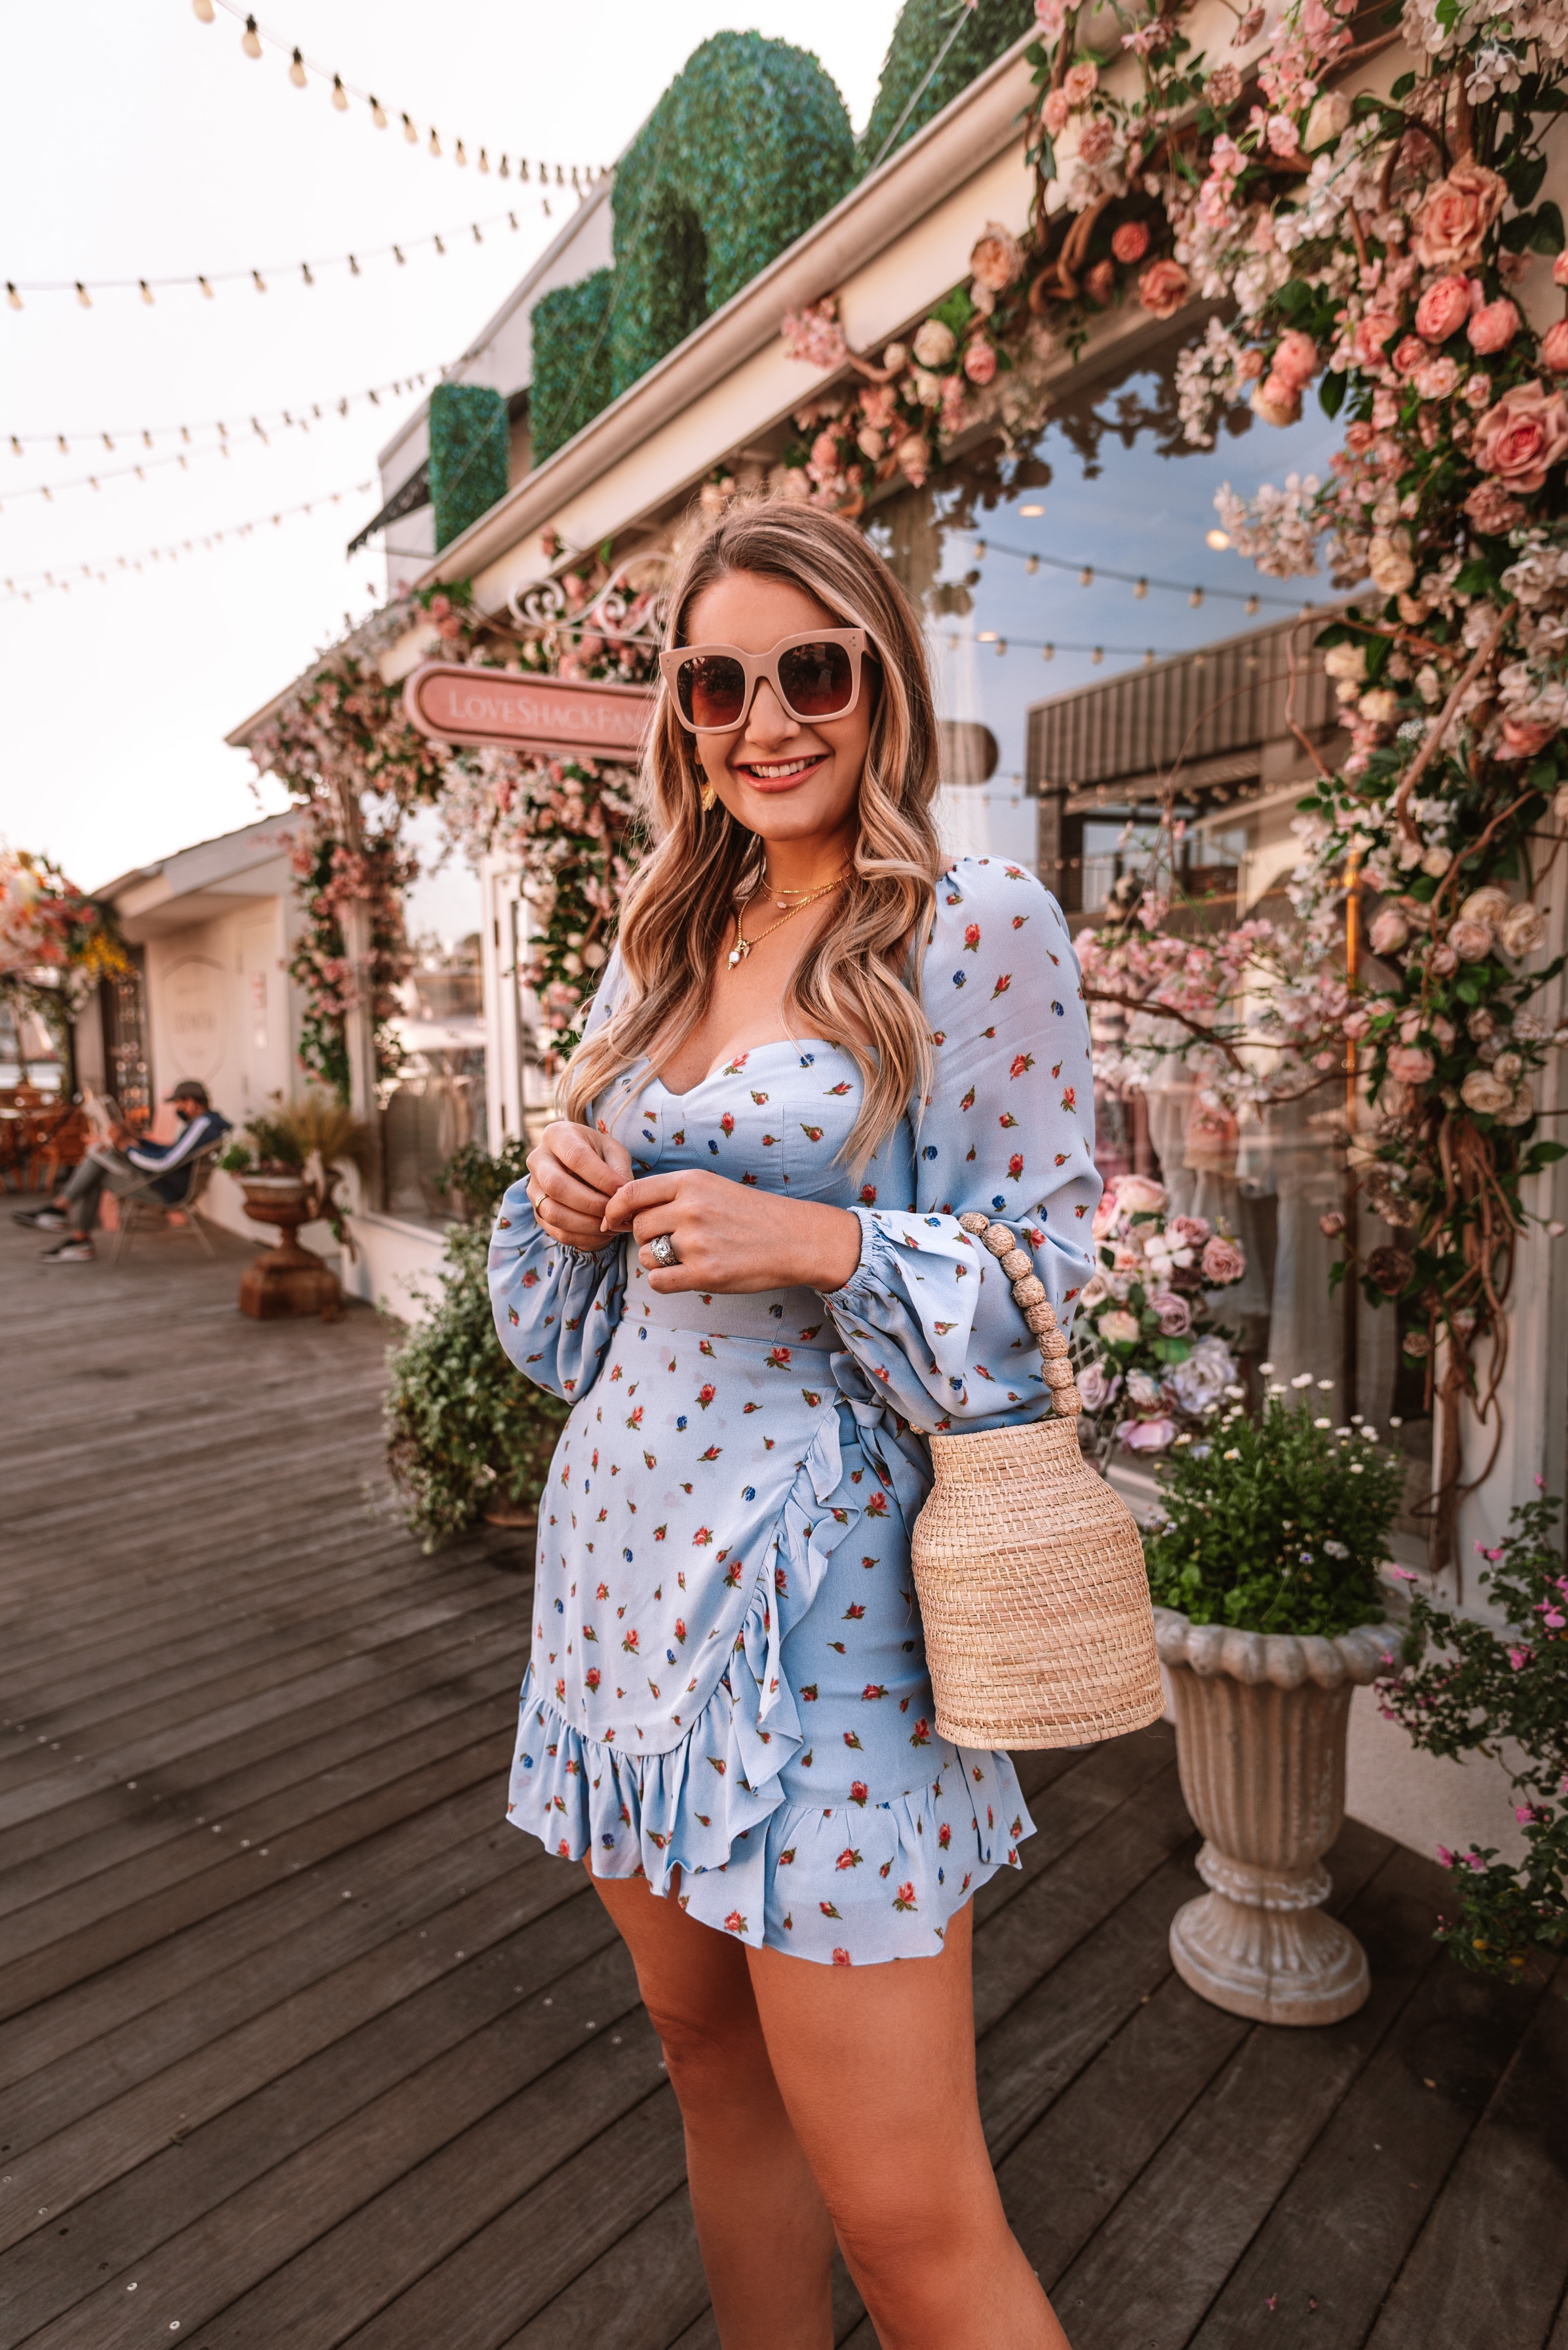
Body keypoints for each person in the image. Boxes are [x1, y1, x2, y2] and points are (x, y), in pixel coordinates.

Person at [489, 503, 1099, 2350]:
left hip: (824, 1631)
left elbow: (1073, 1292)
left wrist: (826, 1238)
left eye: (807, 670)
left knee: (911, 2218)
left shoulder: (967, 925)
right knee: (705, 2065)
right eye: (714, 682)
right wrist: (556, 1187)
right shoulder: (660, 940)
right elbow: (547, 1329)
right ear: (678, 710)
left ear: (878, 679)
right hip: (615, 1584)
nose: (764, 718)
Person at [15, 1080, 229, 1262]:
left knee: (97, 1162)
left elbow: (166, 1163)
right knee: (99, 1157)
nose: (177, 1109)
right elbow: (172, 1152)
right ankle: (67, 1223)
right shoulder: (205, 1124)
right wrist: (138, 1142)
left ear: (191, 1103)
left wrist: (127, 1149)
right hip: (163, 1182)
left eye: (178, 1104)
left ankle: (67, 1220)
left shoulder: (203, 1124)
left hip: (166, 1190)